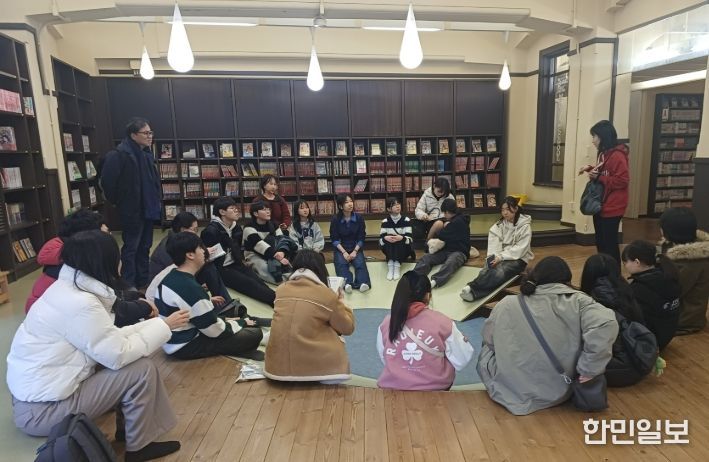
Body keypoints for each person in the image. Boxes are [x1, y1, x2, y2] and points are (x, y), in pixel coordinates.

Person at [7, 230, 190, 461]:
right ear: (103, 262)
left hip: (35, 401)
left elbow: (109, 339)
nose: (121, 262)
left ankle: (130, 432)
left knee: (134, 362)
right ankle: (139, 447)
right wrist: (164, 326)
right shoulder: (81, 304)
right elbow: (118, 354)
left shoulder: (67, 288)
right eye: (117, 257)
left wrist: (161, 325)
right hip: (43, 411)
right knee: (142, 370)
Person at [477, 256, 618, 415]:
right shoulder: (579, 301)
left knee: (488, 346)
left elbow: (489, 340)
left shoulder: (507, 303)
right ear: (567, 279)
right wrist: (589, 369)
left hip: (509, 390)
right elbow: (606, 323)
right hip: (558, 390)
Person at [153, 232, 264, 360]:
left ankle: (239, 342)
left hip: (171, 339)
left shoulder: (172, 276)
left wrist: (217, 311)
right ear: (190, 255)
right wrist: (241, 323)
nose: (204, 251)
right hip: (184, 345)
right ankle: (240, 346)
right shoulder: (191, 287)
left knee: (230, 315)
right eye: (201, 247)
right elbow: (215, 331)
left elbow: (188, 307)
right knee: (254, 333)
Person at [264, 249, 355, 383]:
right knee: (331, 329)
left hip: (275, 369)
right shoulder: (326, 294)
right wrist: (341, 302)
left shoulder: (281, 289)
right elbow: (347, 328)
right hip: (317, 369)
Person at [377, 271, 474, 390]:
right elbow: (461, 360)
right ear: (428, 295)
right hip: (435, 389)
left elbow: (385, 357)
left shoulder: (386, 323)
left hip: (392, 389)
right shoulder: (444, 323)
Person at [100, 117, 162, 289]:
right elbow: (107, 183)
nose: (150, 136)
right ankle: (129, 284)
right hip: (131, 209)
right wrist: (120, 201)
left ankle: (143, 281)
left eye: (151, 132)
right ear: (133, 135)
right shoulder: (118, 155)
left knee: (145, 246)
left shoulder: (147, 154)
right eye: (146, 133)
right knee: (131, 248)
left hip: (149, 208)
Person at [580, 253, 651, 387]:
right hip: (642, 359)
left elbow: (596, 345)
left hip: (618, 370)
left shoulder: (593, 299)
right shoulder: (626, 288)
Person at [26, 209, 107, 312]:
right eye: (102, 230)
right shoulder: (71, 261)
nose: (106, 230)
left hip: (45, 308)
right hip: (44, 310)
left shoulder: (69, 252)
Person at [201, 197, 276, 306]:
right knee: (249, 284)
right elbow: (207, 258)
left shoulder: (236, 228)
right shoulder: (210, 231)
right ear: (222, 212)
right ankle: (278, 301)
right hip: (221, 268)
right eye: (232, 208)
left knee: (258, 281)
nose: (237, 210)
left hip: (236, 263)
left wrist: (242, 260)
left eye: (236, 207)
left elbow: (239, 248)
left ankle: (278, 299)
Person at [461, 196, 533, 301]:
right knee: (487, 268)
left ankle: (473, 290)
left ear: (516, 208)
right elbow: (494, 243)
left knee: (501, 271)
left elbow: (520, 249)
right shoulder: (499, 225)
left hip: (518, 258)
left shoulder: (525, 226)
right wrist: (495, 257)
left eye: (508, 209)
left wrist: (501, 257)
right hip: (500, 256)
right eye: (503, 210)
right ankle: (472, 290)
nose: (505, 213)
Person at [149, 211, 231, 302]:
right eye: (194, 229)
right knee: (208, 268)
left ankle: (226, 303)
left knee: (209, 267)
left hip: (176, 280)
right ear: (183, 230)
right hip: (165, 289)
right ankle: (224, 303)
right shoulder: (170, 246)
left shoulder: (183, 240)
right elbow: (180, 271)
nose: (196, 233)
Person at [578, 120, 629, 264]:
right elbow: (605, 172)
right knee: (601, 242)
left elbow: (622, 181)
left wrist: (599, 177)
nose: (593, 140)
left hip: (613, 206)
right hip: (600, 205)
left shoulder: (618, 155)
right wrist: (590, 169)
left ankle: (614, 274)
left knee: (609, 244)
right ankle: (604, 271)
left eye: (594, 136)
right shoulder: (604, 154)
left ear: (603, 137)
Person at [622, 240, 681, 350]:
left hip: (649, 342)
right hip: (667, 335)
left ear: (637, 262)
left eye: (625, 262)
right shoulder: (669, 275)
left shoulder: (638, 288)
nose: (625, 266)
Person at [659, 207, 709, 335]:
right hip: (680, 310)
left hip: (683, 318)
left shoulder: (691, 261)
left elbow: (672, 290)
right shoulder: (679, 248)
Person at [413, 198, 470, 288]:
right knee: (427, 258)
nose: (444, 215)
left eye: (444, 213)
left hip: (459, 252)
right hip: (446, 250)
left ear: (447, 212)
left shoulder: (458, 221)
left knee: (451, 262)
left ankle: (434, 281)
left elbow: (442, 235)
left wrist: (445, 226)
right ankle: (415, 277)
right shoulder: (454, 220)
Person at [243, 201, 297, 284]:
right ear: (255, 213)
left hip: (274, 252)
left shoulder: (273, 225)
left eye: (269, 209)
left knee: (292, 260)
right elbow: (259, 245)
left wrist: (281, 252)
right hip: (254, 255)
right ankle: (285, 281)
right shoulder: (249, 227)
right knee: (264, 268)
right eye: (264, 210)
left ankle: (293, 278)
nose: (268, 212)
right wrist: (278, 256)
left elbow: (281, 240)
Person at [330, 193, 371, 293]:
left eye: (351, 201)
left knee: (360, 263)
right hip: (341, 248)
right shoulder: (335, 219)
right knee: (341, 264)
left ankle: (362, 283)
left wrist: (355, 251)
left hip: (355, 247)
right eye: (346, 202)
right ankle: (347, 283)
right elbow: (334, 239)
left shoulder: (359, 218)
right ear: (340, 206)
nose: (350, 204)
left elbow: (361, 237)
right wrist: (344, 252)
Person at [379, 197, 414, 281]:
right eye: (394, 205)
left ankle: (397, 265)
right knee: (390, 238)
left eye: (398, 204)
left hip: (404, 250)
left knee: (398, 239)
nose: (398, 206)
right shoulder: (385, 222)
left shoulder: (406, 220)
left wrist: (402, 238)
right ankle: (391, 265)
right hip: (389, 249)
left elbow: (410, 239)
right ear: (388, 209)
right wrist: (386, 238)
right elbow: (381, 241)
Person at [413, 177, 454, 245]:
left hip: (446, 219)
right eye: (439, 191)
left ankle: (449, 246)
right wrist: (423, 215)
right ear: (434, 186)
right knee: (439, 223)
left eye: (443, 192)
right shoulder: (427, 195)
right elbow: (418, 210)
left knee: (448, 224)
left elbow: (454, 210)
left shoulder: (449, 196)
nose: (441, 194)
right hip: (431, 220)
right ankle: (427, 243)